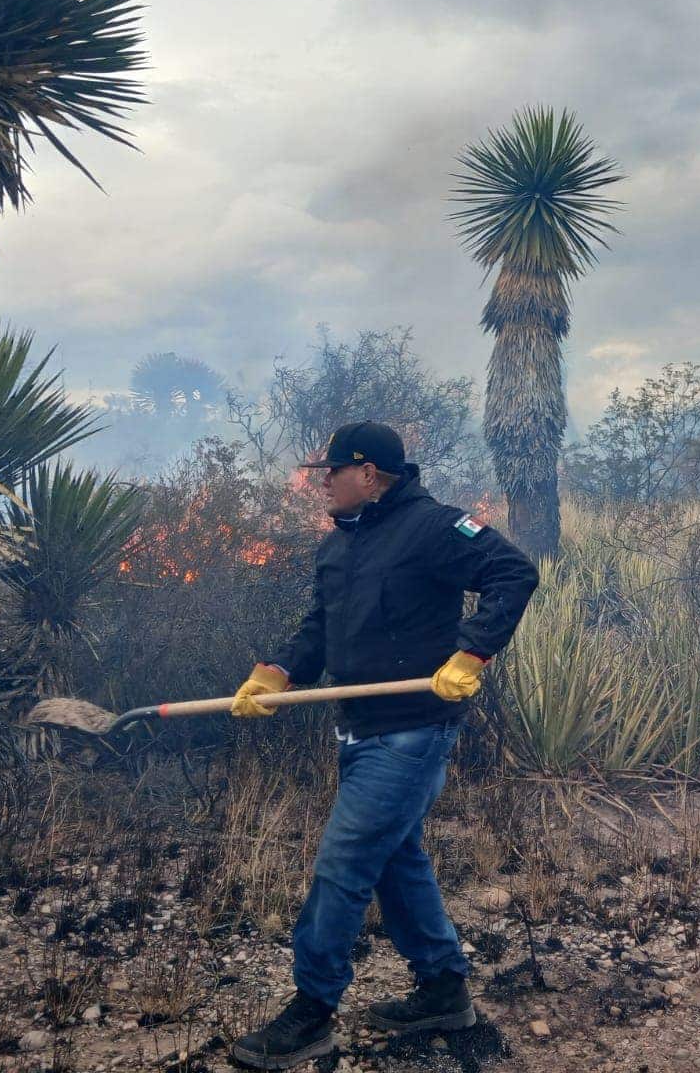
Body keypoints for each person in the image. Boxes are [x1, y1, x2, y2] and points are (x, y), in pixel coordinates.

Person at [229, 421, 539, 1070]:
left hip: (412, 730)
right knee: (397, 860)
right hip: (357, 729)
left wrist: (473, 652)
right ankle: (444, 990)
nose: (323, 485)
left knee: (344, 862)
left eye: (333, 472)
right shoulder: (338, 546)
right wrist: (276, 672)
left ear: (368, 474)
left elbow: (513, 572)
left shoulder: (433, 528)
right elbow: (320, 628)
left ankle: (312, 1012)